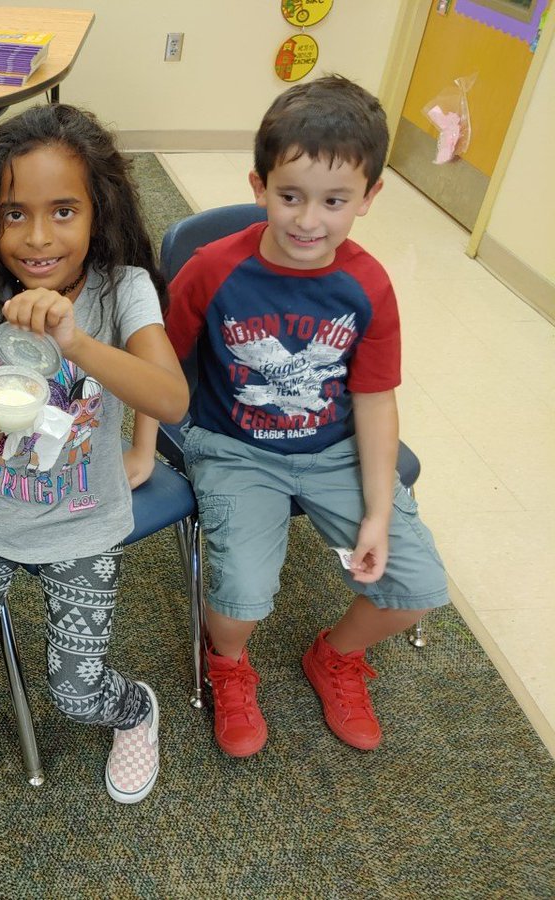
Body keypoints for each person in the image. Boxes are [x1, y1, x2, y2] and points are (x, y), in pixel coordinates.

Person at [164, 75, 449, 759]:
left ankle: (336, 657)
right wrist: (147, 445)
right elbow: (159, 365)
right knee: (241, 601)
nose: (308, 221)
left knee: (418, 588)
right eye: (289, 197)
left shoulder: (368, 285)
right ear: (259, 185)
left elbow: (376, 399)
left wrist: (378, 512)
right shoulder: (210, 270)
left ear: (370, 198)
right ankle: (229, 665)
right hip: (234, 447)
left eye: (334, 201)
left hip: (334, 449)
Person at [0, 104, 190, 804]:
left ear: (100, 211)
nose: (38, 237)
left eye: (64, 211)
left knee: (77, 692)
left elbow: (171, 400)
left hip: (84, 522)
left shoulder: (122, 289)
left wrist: (78, 345)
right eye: (14, 214)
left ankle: (138, 711)